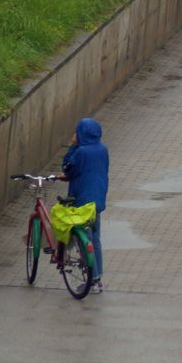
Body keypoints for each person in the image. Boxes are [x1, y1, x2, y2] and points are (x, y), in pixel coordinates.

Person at [62, 117, 109, 293]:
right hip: (97, 200)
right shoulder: (102, 149)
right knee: (95, 239)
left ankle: (93, 280)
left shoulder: (81, 152)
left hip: (82, 201)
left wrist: (72, 146)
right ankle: (98, 278)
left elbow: (68, 168)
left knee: (85, 240)